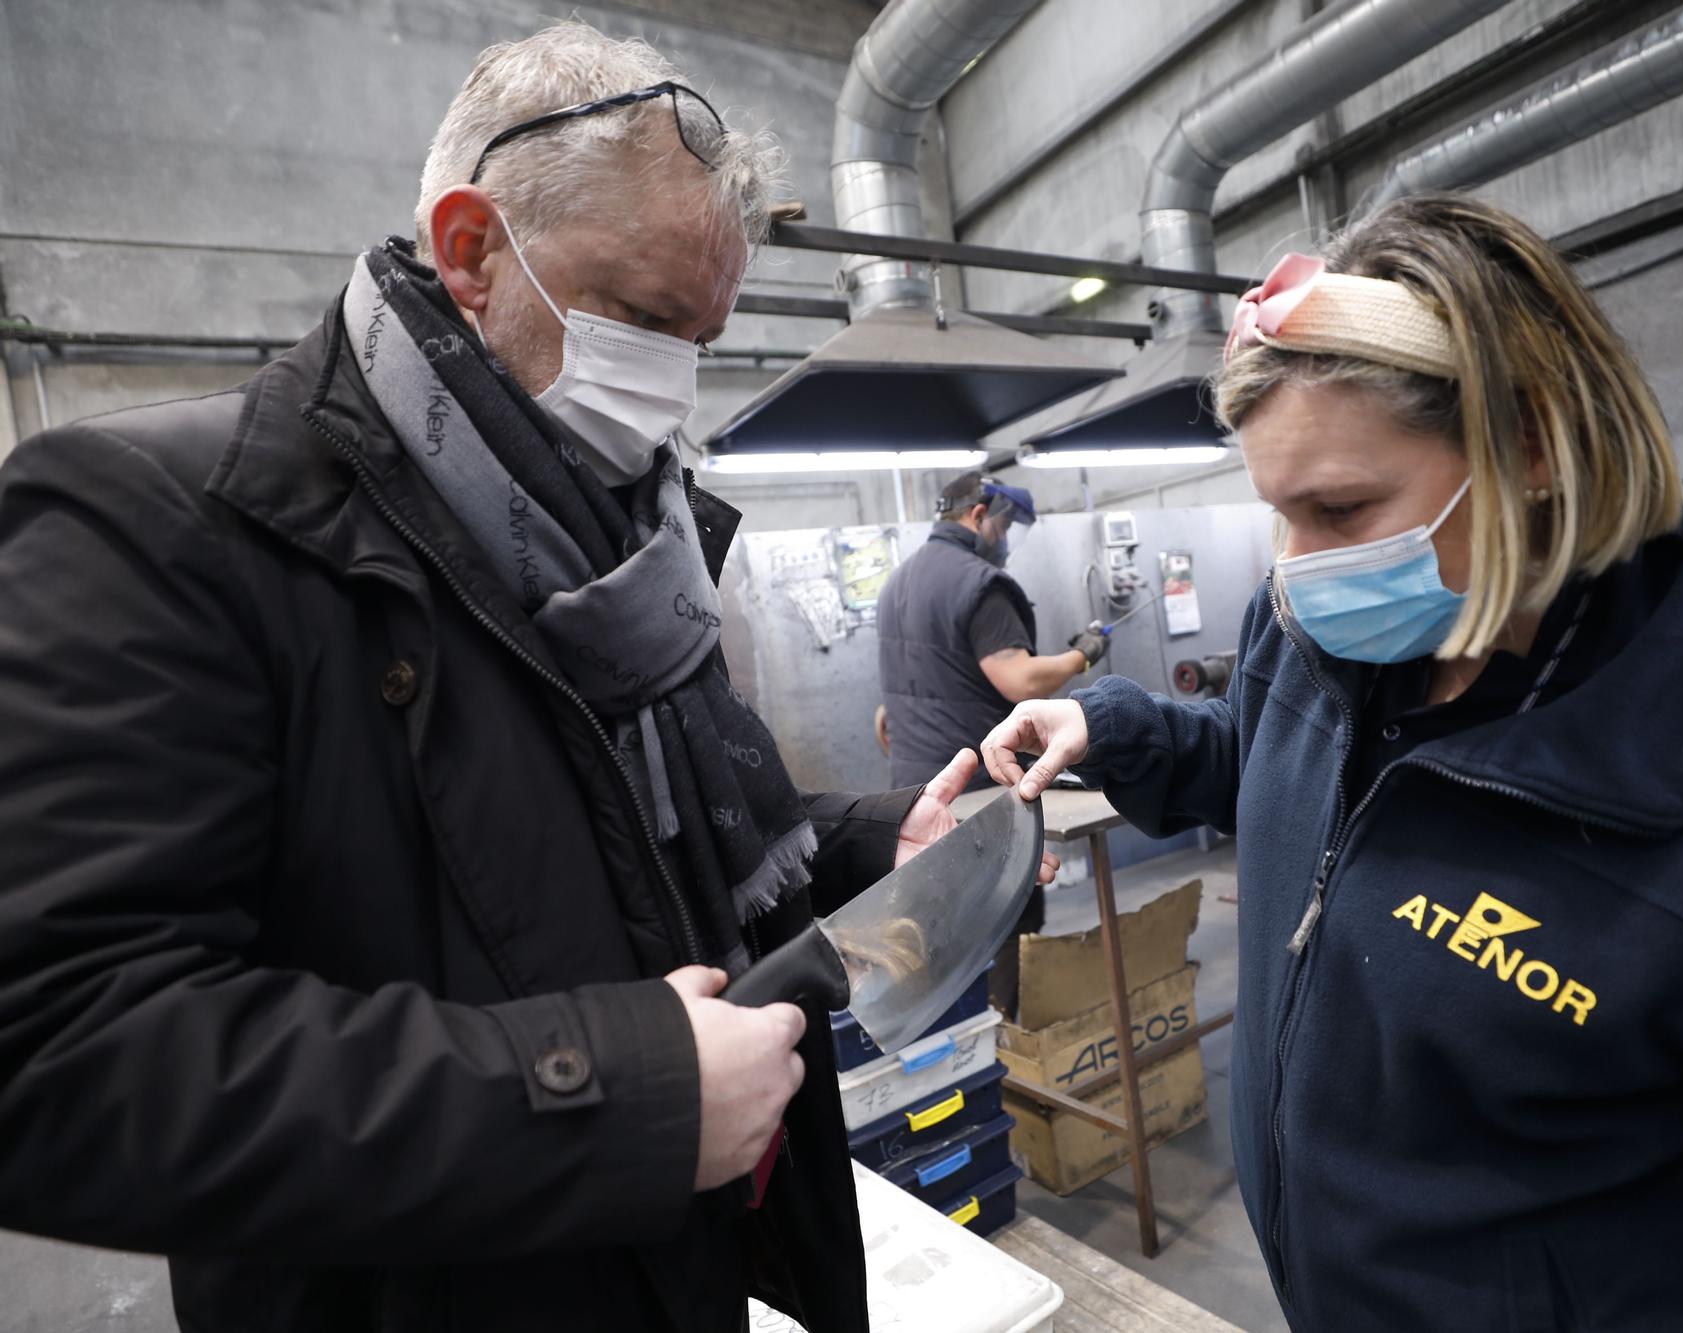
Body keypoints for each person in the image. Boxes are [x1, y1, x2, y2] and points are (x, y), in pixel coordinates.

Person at [0, 22, 1048, 1333]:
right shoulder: (165, 531)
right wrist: (617, 1093)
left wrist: (869, 838)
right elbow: (58, 1050)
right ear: (470, 250)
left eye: (702, 337)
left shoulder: (626, 547)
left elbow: (647, 852)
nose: (669, 384)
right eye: (640, 318)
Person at [982, 195, 1683, 1330]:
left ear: (1530, 445)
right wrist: (1113, 726)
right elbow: (1262, 767)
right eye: (1279, 514)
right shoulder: (1318, 633)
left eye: (1339, 507)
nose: (1296, 570)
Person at [876, 471, 1103, 1008]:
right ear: (979, 517)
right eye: (1006, 527)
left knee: (938, 933)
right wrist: (1084, 654)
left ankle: (961, 1050)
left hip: (914, 792)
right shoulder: (982, 583)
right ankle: (1006, 1050)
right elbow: (1018, 680)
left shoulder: (898, 581)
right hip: (977, 791)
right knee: (1005, 926)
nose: (1006, 542)